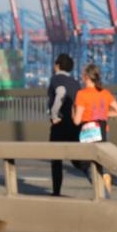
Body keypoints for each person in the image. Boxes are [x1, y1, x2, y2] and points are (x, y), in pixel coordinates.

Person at [73, 63, 117, 197]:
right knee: (101, 160)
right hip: (103, 131)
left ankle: (104, 195)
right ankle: (105, 175)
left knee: (87, 165)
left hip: (88, 133)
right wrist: (104, 115)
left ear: (86, 77)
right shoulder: (105, 93)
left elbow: (77, 120)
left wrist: (72, 112)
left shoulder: (81, 94)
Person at [47, 54, 89, 196]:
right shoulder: (75, 82)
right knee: (77, 159)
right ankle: (96, 179)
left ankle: (56, 191)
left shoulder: (56, 78)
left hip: (60, 125)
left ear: (57, 65)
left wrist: (54, 115)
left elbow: (60, 93)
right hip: (75, 125)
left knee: (56, 160)